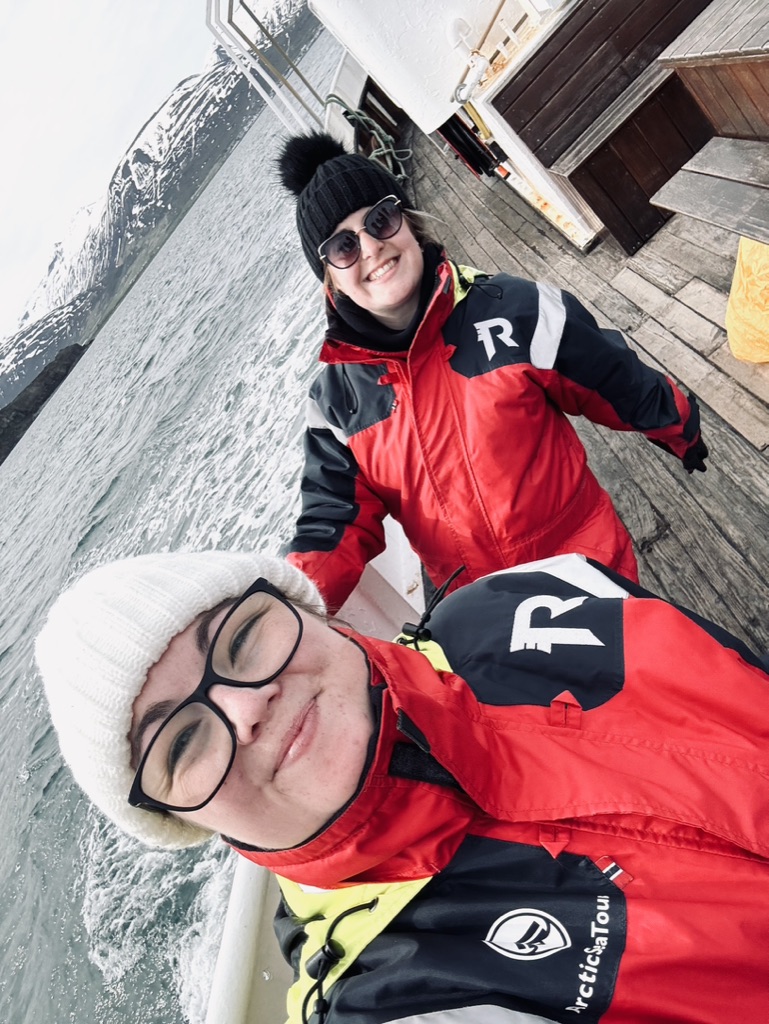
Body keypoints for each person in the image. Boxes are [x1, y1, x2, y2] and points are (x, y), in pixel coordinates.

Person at [37, 548, 769, 1024]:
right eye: (182, 741)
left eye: (240, 639)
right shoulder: (397, 999)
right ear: (181, 819)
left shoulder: (529, 596)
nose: (244, 704)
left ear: (303, 609)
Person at [276, 132, 709, 613]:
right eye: (342, 246)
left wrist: (678, 424)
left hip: (589, 575)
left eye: (380, 219)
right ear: (330, 277)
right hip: (488, 620)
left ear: (409, 222)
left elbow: (611, 376)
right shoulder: (335, 402)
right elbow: (332, 519)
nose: (372, 248)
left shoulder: (517, 309)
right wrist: (287, 611)